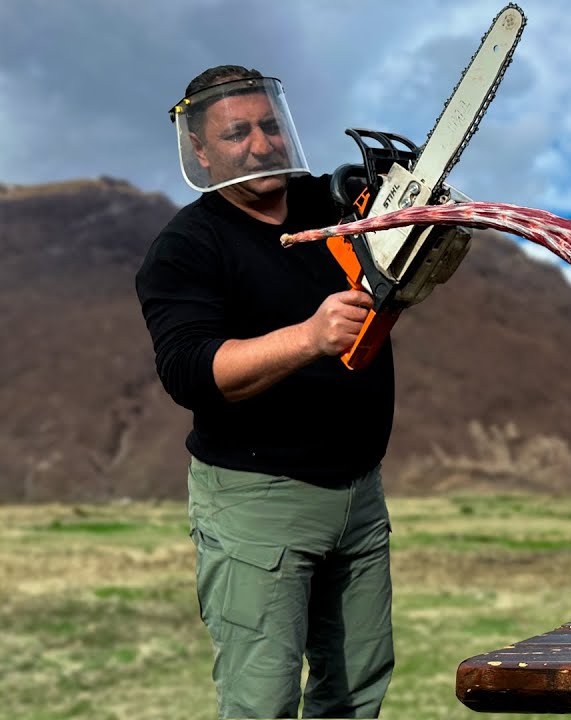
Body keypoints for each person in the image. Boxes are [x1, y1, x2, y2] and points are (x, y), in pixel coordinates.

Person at [136, 65, 396, 718]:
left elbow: (394, 272)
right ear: (200, 150)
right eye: (237, 133)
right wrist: (309, 337)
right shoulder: (186, 249)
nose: (260, 144)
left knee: (356, 691)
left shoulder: (325, 203)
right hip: (258, 504)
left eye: (269, 125)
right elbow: (192, 370)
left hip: (358, 491)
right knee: (263, 701)